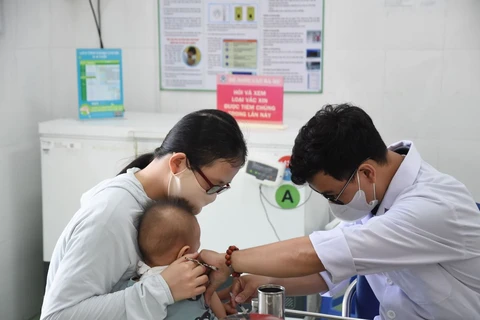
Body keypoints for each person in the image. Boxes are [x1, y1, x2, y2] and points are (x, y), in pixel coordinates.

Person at [200, 104, 480, 319]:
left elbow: (314, 253)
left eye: (333, 195)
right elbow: (327, 269)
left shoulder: (431, 207)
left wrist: (232, 260)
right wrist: (266, 280)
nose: (333, 205)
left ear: (366, 172)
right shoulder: (377, 195)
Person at [40, 109, 247, 320]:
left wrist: (198, 302)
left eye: (222, 188)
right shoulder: (112, 214)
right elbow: (57, 315)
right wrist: (163, 289)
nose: (213, 198)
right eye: (213, 186)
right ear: (178, 163)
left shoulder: (157, 206)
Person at [130, 197, 226, 320]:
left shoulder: (139, 288)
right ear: (184, 254)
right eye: (196, 249)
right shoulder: (193, 274)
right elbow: (210, 296)